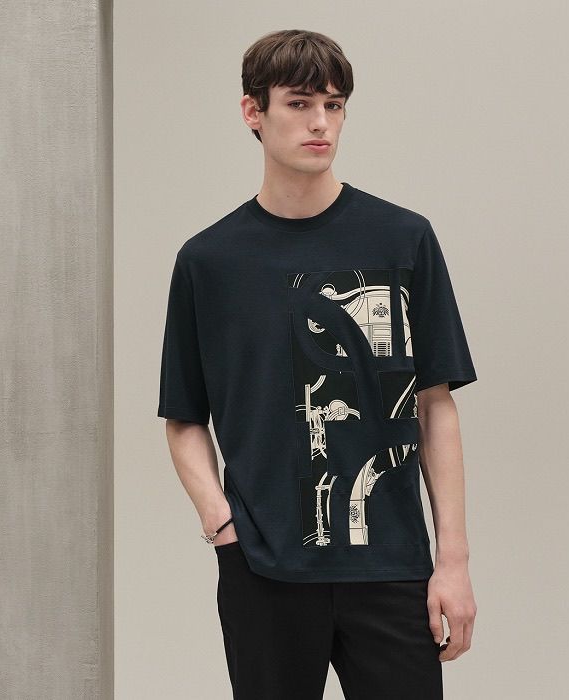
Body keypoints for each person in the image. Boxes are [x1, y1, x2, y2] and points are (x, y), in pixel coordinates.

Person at [158, 28, 478, 700]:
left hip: (392, 565)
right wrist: (220, 523)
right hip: (264, 570)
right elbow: (183, 416)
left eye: (334, 105)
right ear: (253, 112)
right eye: (300, 104)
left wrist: (453, 561)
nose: (320, 123)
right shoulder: (208, 262)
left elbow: (434, 405)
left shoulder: (404, 239)